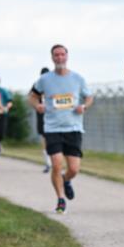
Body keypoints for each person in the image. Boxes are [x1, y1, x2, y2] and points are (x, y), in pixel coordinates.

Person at [30, 45, 93, 214]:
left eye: (62, 54)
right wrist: (38, 105)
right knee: (56, 165)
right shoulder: (45, 79)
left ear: (67, 56)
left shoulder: (78, 79)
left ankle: (66, 180)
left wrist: (83, 107)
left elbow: (89, 97)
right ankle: (60, 199)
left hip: (73, 127)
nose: (59, 58)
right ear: (52, 58)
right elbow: (32, 95)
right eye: (56, 55)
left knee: (73, 168)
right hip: (52, 128)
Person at [30, 67, 51, 172]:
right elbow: (31, 98)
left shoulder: (54, 84)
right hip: (41, 115)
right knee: (44, 137)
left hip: (53, 115)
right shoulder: (37, 85)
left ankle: (54, 161)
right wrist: (38, 106)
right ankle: (47, 162)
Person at [0, 74, 13, 158]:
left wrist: (6, 107)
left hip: (2, 113)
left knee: (1, 131)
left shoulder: (3, 91)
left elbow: (10, 101)